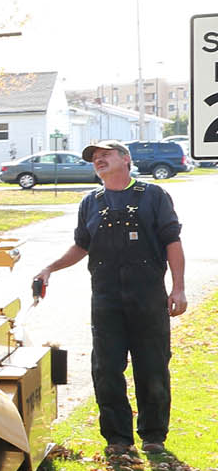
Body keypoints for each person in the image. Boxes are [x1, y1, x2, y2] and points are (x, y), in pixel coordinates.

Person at [31, 139, 187, 454]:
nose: (99, 161)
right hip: (106, 301)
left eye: (105, 155)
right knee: (105, 368)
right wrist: (49, 268)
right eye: (94, 158)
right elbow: (81, 246)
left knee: (153, 366)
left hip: (148, 299)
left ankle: (154, 436)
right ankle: (117, 439)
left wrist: (179, 287)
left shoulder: (153, 196)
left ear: (126, 159)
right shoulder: (91, 202)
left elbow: (172, 241)